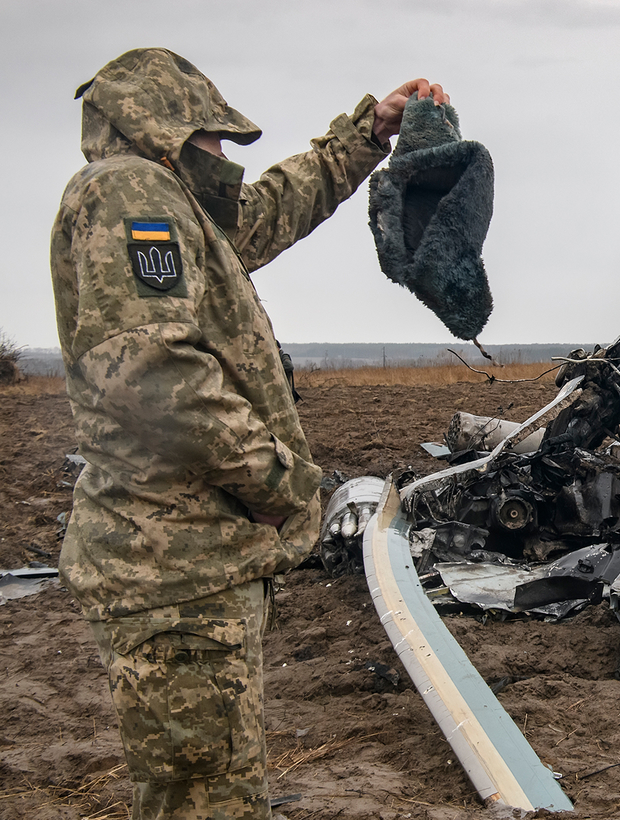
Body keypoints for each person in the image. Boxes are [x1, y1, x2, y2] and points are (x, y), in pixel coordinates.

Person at [49, 48, 446, 820]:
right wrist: (280, 485)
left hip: (187, 564)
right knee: (204, 798)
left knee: (210, 781)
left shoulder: (172, 205)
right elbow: (153, 374)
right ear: (165, 129)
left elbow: (263, 211)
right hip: (175, 570)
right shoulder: (130, 191)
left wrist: (367, 132)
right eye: (216, 139)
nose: (226, 158)